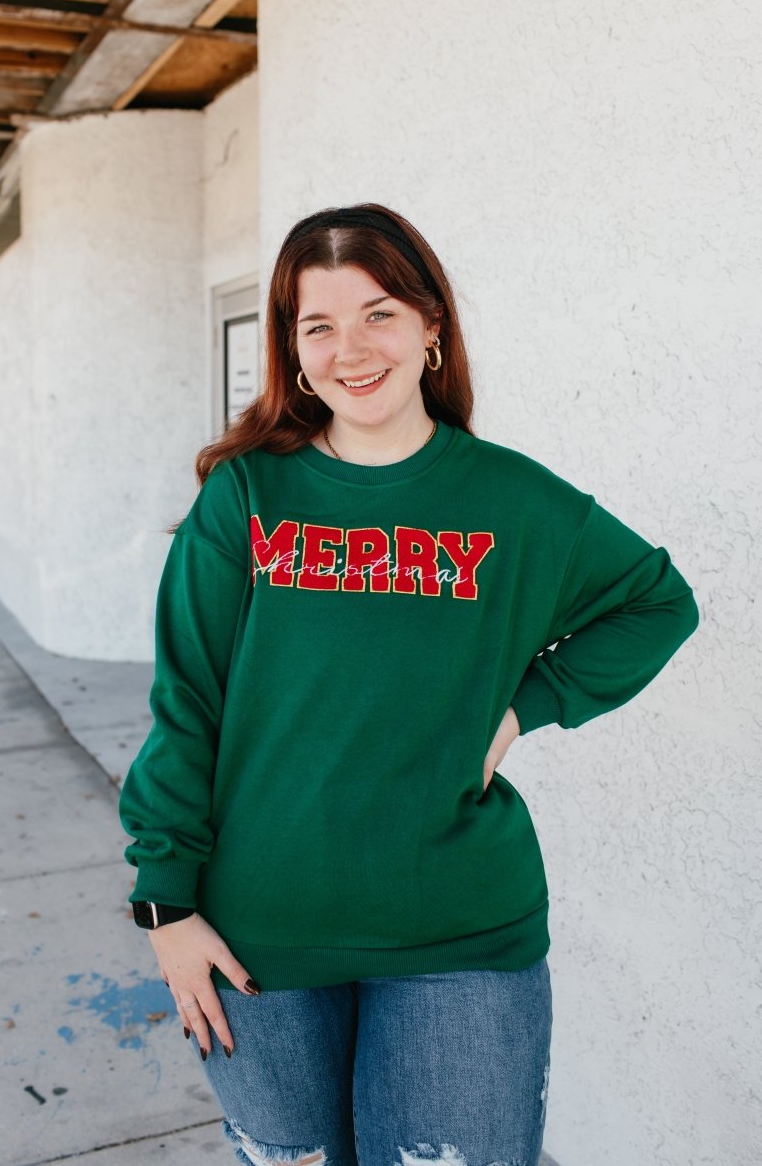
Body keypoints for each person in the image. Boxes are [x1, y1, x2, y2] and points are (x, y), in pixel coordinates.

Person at [119, 202, 700, 1166]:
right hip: (257, 936)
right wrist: (164, 906)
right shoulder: (247, 495)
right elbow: (187, 705)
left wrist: (521, 712)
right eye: (319, 325)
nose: (350, 350)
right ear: (292, 349)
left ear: (431, 326)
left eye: (379, 314)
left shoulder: (514, 501)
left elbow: (656, 602)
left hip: (459, 936)